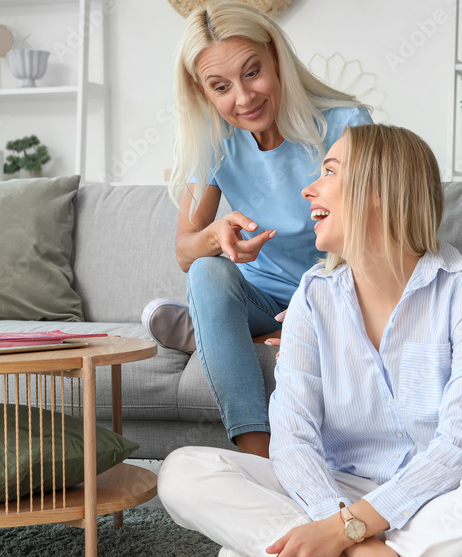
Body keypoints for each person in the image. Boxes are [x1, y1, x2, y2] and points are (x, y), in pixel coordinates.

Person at [158, 124, 462, 557]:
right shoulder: (313, 294)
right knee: (183, 472)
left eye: (329, 172)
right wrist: (352, 539)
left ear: (379, 191)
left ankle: (282, 555)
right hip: (336, 490)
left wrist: (339, 531)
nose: (309, 189)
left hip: (440, 497)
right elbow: (293, 439)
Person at [141, 0, 372, 458]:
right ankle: (257, 455)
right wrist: (216, 233)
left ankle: (210, 329)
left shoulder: (346, 124)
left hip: (336, 292)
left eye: (252, 72)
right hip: (264, 300)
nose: (243, 98)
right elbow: (186, 251)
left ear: (275, 56)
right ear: (201, 90)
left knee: (211, 306)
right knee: (206, 275)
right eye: (220, 86)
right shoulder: (214, 143)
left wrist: (317, 320)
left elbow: (375, 243)